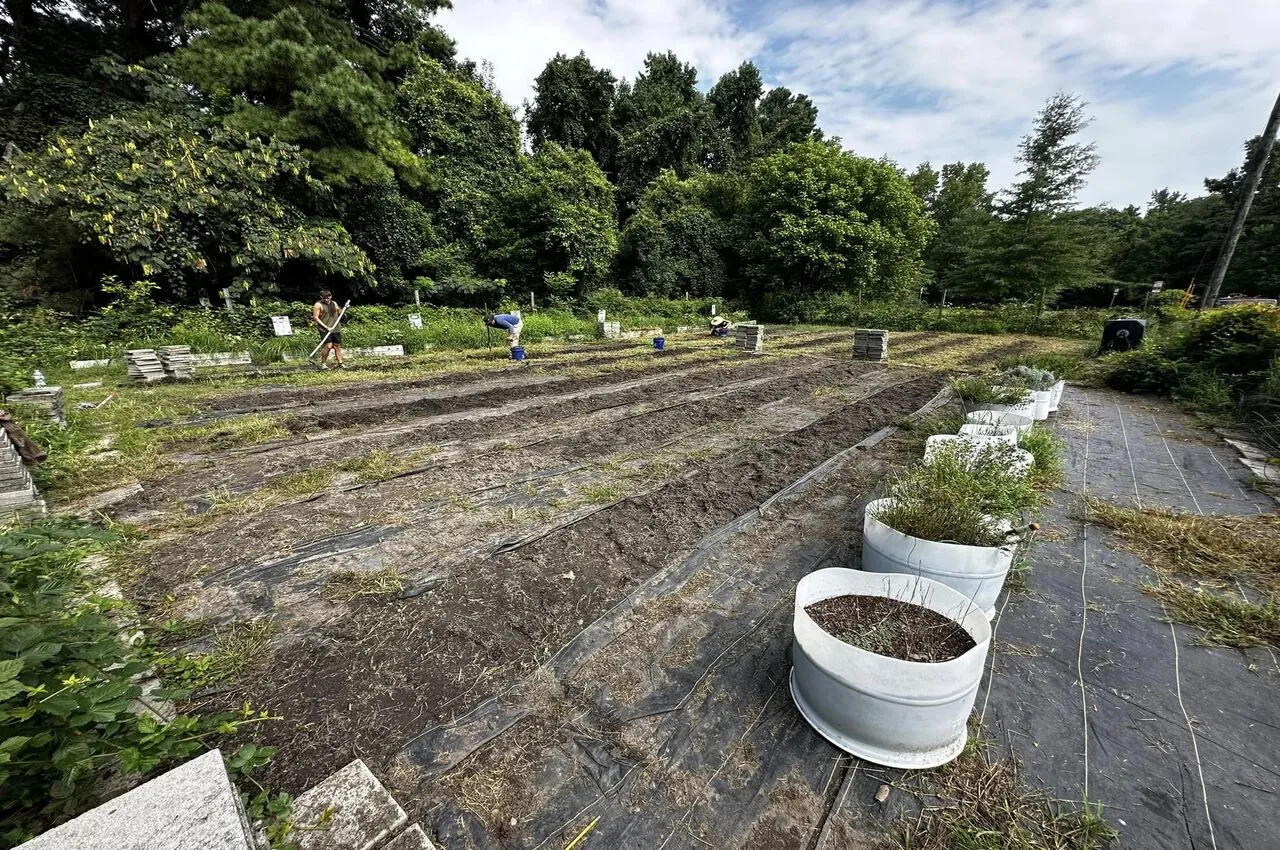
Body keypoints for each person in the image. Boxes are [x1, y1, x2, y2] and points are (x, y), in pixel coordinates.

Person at [311, 290, 345, 369]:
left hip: (335, 328)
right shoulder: (318, 305)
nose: (327, 299)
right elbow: (316, 318)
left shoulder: (334, 303)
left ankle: (340, 363)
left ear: (331, 296)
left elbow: (339, 311)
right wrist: (327, 327)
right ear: (321, 297)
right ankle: (323, 364)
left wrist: (343, 309)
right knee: (328, 346)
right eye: (325, 298)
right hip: (325, 329)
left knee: (337, 346)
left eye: (328, 297)